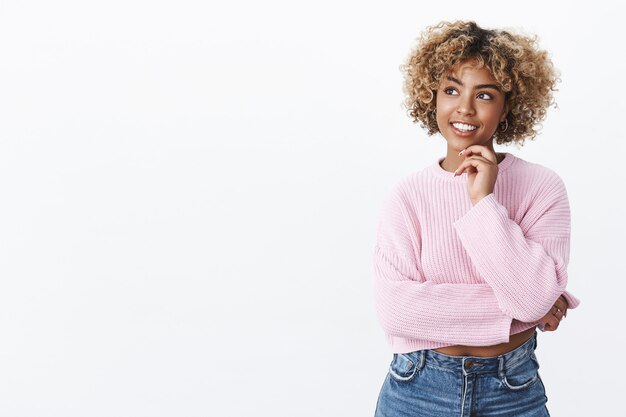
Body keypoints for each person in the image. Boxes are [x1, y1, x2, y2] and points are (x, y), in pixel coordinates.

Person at [372, 21, 581, 417]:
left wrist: (483, 201)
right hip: (416, 390)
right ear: (431, 97)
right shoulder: (407, 195)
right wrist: (524, 309)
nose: (464, 108)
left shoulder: (542, 187)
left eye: (484, 94)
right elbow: (396, 310)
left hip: (512, 391)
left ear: (507, 108)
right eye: (451, 90)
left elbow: (534, 298)